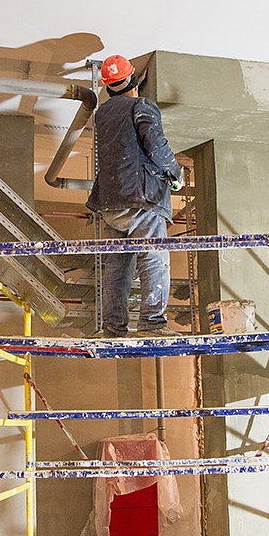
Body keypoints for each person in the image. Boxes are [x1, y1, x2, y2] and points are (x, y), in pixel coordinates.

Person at [87, 54, 183, 337]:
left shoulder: (102, 114)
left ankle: (112, 327)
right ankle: (151, 323)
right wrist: (175, 173)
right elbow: (156, 144)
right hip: (142, 199)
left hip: (111, 202)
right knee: (153, 257)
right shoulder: (142, 106)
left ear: (109, 87)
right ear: (133, 82)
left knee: (117, 266)